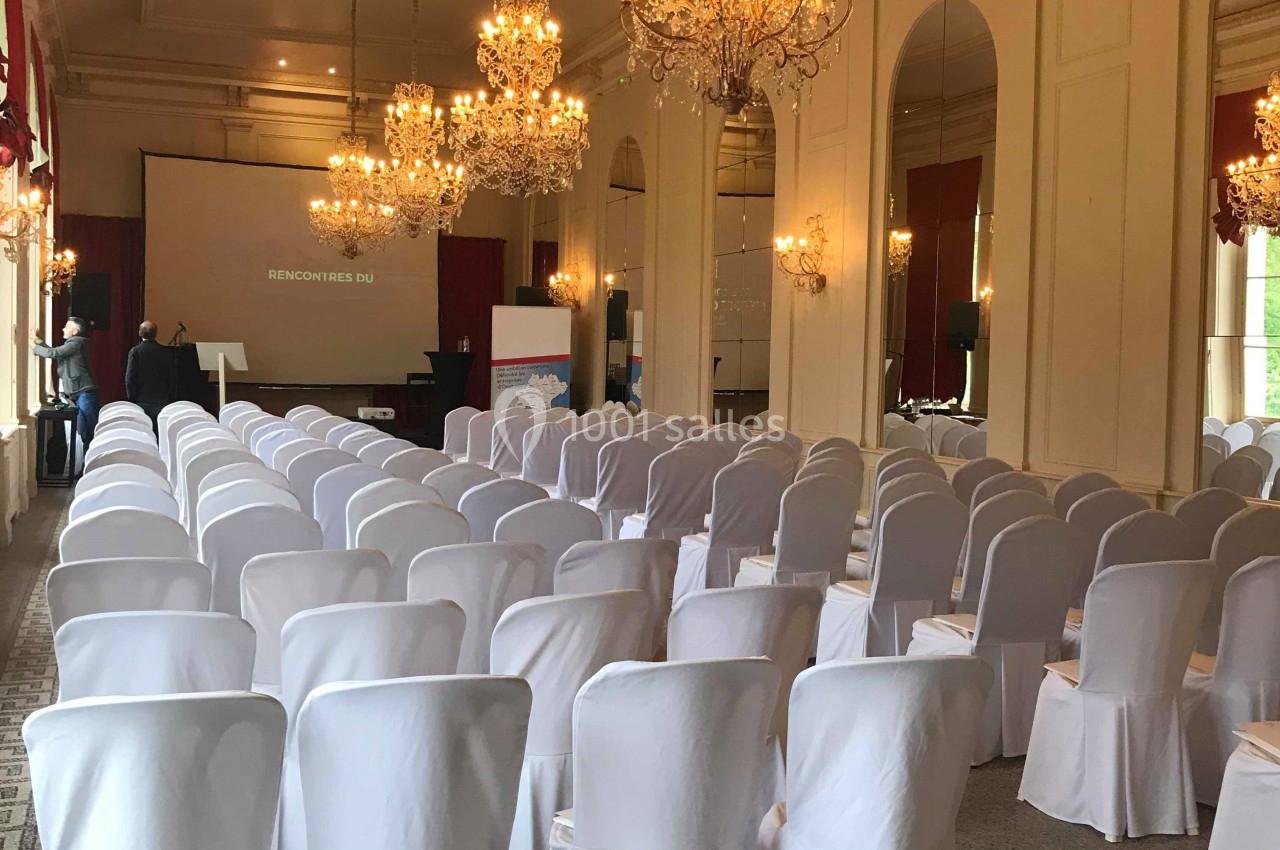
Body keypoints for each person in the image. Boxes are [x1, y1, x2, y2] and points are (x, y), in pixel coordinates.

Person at [32, 316, 99, 448]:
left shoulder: (75, 343)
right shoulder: (73, 344)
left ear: (75, 331)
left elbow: (53, 353)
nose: (63, 329)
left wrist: (32, 346)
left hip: (84, 392)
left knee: (90, 431)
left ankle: (93, 458)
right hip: (80, 393)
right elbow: (56, 353)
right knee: (85, 431)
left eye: (67, 327)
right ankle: (87, 459)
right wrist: (39, 342)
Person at [125, 321, 173, 430]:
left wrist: (131, 397)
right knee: (160, 431)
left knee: (144, 431)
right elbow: (172, 377)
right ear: (155, 333)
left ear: (140, 333)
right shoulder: (166, 352)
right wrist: (171, 397)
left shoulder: (135, 351)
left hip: (141, 399)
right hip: (162, 399)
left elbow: (130, 377)